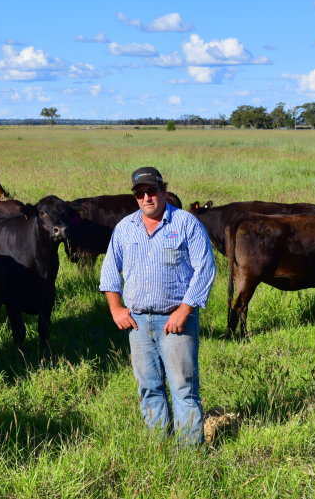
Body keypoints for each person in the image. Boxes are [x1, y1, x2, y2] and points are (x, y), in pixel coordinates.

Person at [99, 167, 215, 445]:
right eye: (140, 194)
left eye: (152, 191)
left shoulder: (186, 224)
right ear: (135, 197)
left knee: (183, 388)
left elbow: (206, 268)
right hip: (138, 323)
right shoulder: (125, 229)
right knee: (148, 388)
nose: (147, 197)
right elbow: (109, 273)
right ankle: (158, 446)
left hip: (175, 321)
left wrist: (184, 310)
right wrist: (116, 309)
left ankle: (189, 454)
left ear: (164, 190)